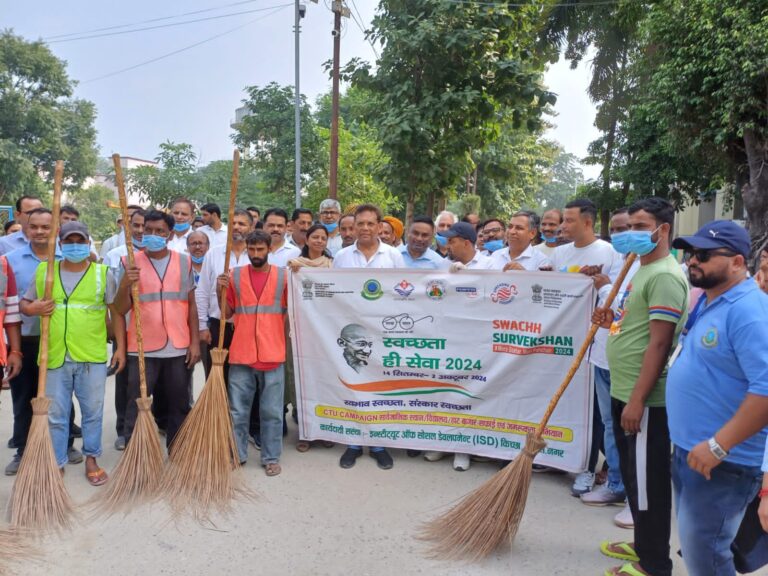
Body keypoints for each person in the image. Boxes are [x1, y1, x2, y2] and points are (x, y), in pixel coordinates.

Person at [665, 220, 768, 576]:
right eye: (691, 253)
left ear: (738, 262)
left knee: (706, 554)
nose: (693, 261)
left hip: (723, 461)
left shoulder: (749, 312)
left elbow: (766, 391)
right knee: (698, 550)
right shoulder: (712, 299)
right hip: (693, 452)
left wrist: (718, 446)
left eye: (705, 255)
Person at [593, 197, 688, 576]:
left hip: (645, 399)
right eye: (627, 226)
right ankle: (643, 545)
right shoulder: (641, 269)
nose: (630, 234)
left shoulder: (665, 274)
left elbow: (660, 343)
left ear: (662, 230)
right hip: (625, 389)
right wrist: (610, 322)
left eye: (639, 226)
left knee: (649, 484)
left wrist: (637, 401)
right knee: (635, 478)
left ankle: (653, 565)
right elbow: (636, 329)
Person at [21, 221, 124, 485]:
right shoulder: (46, 271)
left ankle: (92, 457)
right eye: (69, 241)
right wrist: (34, 309)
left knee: (93, 410)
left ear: (88, 243)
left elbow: (116, 313)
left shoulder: (103, 273)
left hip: (90, 355)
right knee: (56, 413)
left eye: (80, 241)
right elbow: (25, 303)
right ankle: (57, 461)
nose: (75, 246)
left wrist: (120, 348)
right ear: (61, 243)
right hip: (55, 354)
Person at [551, 198, 624, 497]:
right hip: (566, 341)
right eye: (562, 221)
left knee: (596, 413)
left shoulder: (610, 252)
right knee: (570, 404)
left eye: (569, 221)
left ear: (588, 222)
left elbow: (615, 295)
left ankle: (589, 469)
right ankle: (564, 458)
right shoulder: (560, 253)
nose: (563, 226)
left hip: (597, 343)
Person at [114, 210, 200, 450]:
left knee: (178, 403)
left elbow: (191, 306)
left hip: (177, 346)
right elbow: (119, 308)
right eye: (148, 230)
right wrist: (126, 283)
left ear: (169, 234)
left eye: (159, 231)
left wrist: (194, 343)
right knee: (137, 404)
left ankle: (178, 450)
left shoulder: (184, 261)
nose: (152, 234)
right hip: (142, 347)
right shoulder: (129, 262)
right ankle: (136, 454)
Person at [4, 208, 76, 475]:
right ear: (26, 228)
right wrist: (30, 308)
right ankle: (23, 449)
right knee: (24, 397)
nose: (39, 232)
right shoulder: (9, 261)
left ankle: (66, 445)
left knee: (60, 396)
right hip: (24, 338)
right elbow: (8, 302)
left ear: (55, 228)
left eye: (46, 227)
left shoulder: (67, 257)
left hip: (60, 339)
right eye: (34, 227)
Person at [333, 204, 405, 470]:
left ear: (379, 226)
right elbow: (332, 291)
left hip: (383, 330)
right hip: (351, 330)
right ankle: (353, 443)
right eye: (359, 224)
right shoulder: (342, 256)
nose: (364, 229)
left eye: (369, 224)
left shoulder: (393, 256)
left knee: (379, 386)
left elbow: (402, 292)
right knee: (352, 384)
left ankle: (378, 444)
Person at [218, 230, 287, 477]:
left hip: (273, 353)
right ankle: (237, 453)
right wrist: (220, 290)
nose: (256, 254)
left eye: (260, 249)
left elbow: (291, 311)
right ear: (246, 248)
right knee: (237, 410)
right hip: (242, 354)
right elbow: (226, 313)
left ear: (269, 248)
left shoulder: (283, 277)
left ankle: (271, 457)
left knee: (272, 411)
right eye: (252, 249)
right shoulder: (234, 276)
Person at [103, 209, 146, 451]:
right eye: (136, 226)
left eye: (143, 226)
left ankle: (151, 423)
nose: (140, 231)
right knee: (125, 379)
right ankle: (123, 428)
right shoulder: (114, 255)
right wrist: (111, 325)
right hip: (124, 326)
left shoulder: (158, 254)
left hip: (152, 329)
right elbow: (110, 296)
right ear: (126, 226)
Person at [197, 208, 253, 380]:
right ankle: (218, 407)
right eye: (233, 223)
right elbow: (203, 291)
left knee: (244, 377)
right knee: (217, 375)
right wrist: (202, 326)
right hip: (217, 324)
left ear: (251, 227)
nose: (236, 227)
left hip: (247, 325)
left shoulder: (256, 254)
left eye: (242, 224)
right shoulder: (214, 253)